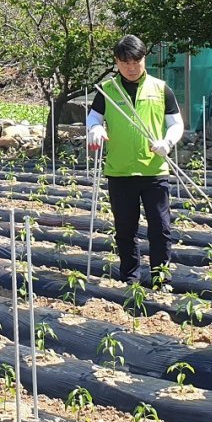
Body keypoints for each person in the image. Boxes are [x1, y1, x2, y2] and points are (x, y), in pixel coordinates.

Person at [85, 35, 184, 285]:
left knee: (160, 228)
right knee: (125, 231)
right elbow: (93, 118)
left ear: (144, 59)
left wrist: (167, 142)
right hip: (120, 171)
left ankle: (161, 279)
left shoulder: (161, 88)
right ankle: (130, 279)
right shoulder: (107, 90)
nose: (131, 67)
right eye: (125, 62)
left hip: (154, 170)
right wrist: (94, 129)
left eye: (136, 61)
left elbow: (176, 123)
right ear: (116, 62)